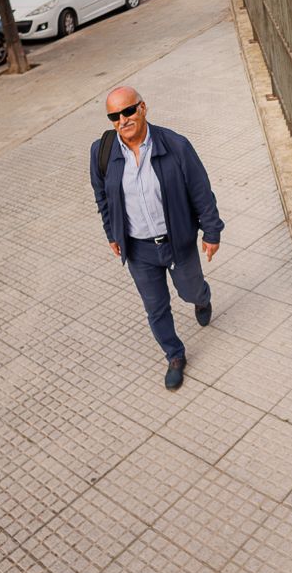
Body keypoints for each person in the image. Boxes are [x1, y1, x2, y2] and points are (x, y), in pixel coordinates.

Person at [89, 87, 223, 389]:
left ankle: (201, 297)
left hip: (178, 241)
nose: (122, 120)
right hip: (138, 249)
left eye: (128, 111)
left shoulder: (176, 145)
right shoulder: (102, 152)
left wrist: (211, 231)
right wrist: (112, 233)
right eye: (114, 116)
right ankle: (175, 355)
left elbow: (201, 191)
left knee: (189, 291)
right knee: (155, 307)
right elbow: (103, 198)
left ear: (143, 108)